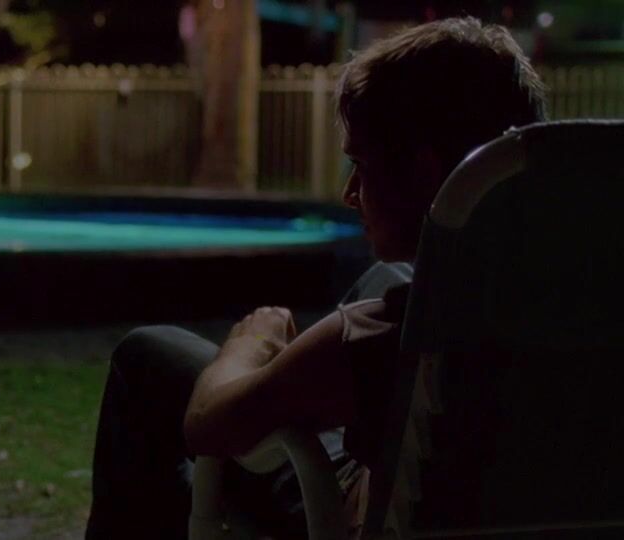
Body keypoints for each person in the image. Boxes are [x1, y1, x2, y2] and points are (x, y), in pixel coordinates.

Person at [85, 17, 547, 539]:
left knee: (145, 354)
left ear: (423, 172)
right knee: (386, 272)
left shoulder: (383, 336)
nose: (350, 195)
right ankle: (292, 386)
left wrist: (254, 342)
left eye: (361, 166)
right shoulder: (578, 306)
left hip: (346, 514)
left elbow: (209, 422)